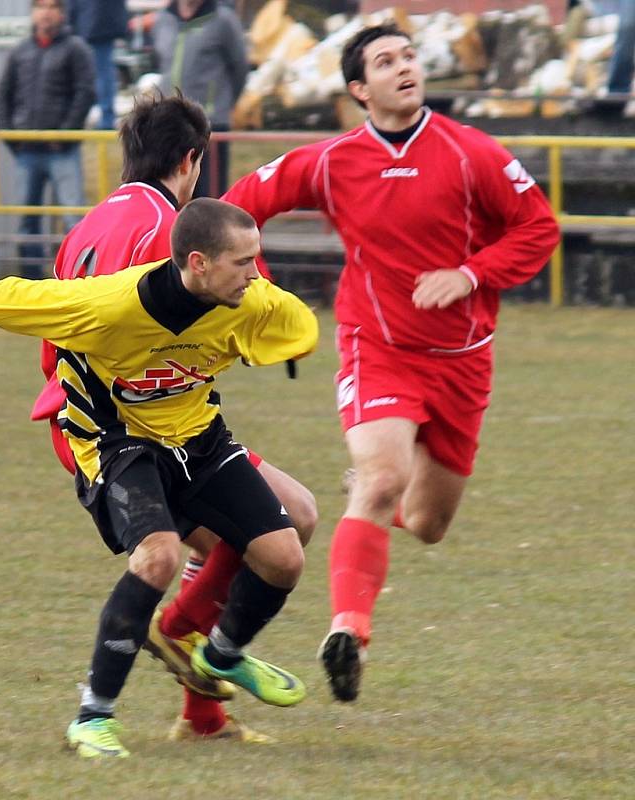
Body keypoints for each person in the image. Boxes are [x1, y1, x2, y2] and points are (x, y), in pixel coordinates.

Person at [221, 23, 561, 702]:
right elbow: (237, 208)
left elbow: (539, 228)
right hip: (377, 351)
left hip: (463, 362)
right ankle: (348, 631)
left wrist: (470, 275)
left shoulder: (474, 154)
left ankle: (371, 507)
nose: (405, 67)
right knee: (380, 480)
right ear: (358, 89)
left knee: (429, 523)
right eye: (385, 61)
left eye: (408, 56)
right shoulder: (330, 161)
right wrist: (257, 293)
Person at [0, 197, 318, 758]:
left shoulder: (251, 301)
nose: (256, 274)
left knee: (284, 558)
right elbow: (10, 299)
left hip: (199, 437)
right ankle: (93, 717)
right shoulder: (109, 306)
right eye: (244, 262)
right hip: (117, 444)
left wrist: (286, 343)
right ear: (199, 263)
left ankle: (222, 655)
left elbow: (294, 322)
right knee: (158, 556)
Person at [31, 92, 317, 742]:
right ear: (192, 159)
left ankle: (202, 707)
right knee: (236, 544)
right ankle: (164, 661)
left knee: (287, 519)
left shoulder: (87, 225)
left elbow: (58, 332)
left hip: (94, 414)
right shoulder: (176, 234)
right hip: (128, 432)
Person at [0, 0, 96, 277]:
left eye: (52, 6)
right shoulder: (20, 52)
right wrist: (10, 136)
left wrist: (64, 134)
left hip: (63, 151)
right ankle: (31, 280)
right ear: (32, 12)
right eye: (40, 6)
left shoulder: (76, 49)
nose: (46, 12)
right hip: (26, 150)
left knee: (72, 218)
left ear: (62, 13)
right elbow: (4, 95)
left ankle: (75, 281)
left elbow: (85, 92)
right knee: (27, 219)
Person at [152, 0, 249, 198]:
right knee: (171, 196)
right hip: (170, 125)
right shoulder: (163, 19)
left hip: (209, 126)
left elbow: (239, 68)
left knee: (208, 199)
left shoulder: (223, 21)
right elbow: (162, 64)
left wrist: (222, 104)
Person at [66, 0, 128, 130]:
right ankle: (105, 118)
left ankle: (105, 119)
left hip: (92, 23)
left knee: (100, 74)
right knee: (102, 74)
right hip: (99, 22)